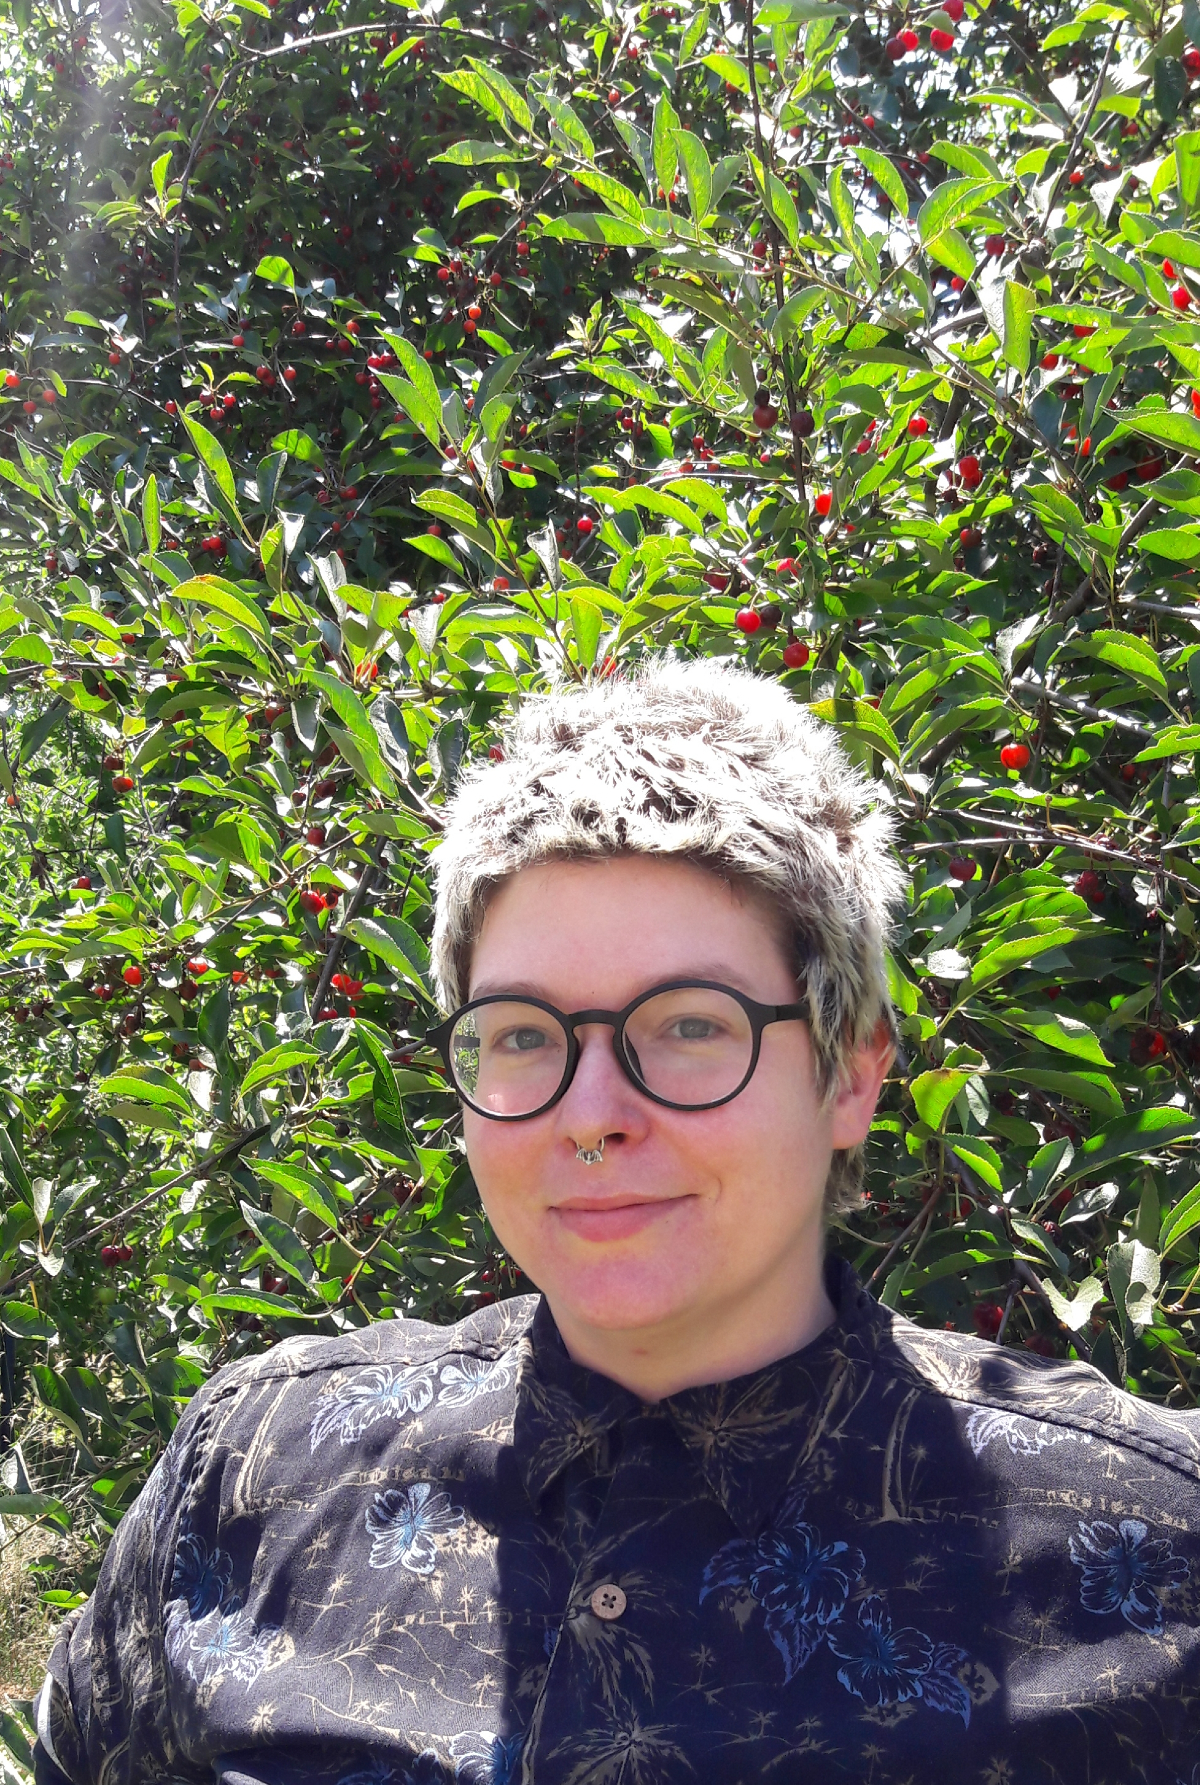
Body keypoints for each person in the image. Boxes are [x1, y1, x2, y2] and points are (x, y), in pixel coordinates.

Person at [33, 657, 1200, 1785]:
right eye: (523, 1034)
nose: (591, 1116)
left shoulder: (1150, 1553)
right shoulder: (256, 1476)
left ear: (850, 1072)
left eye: (689, 1026)